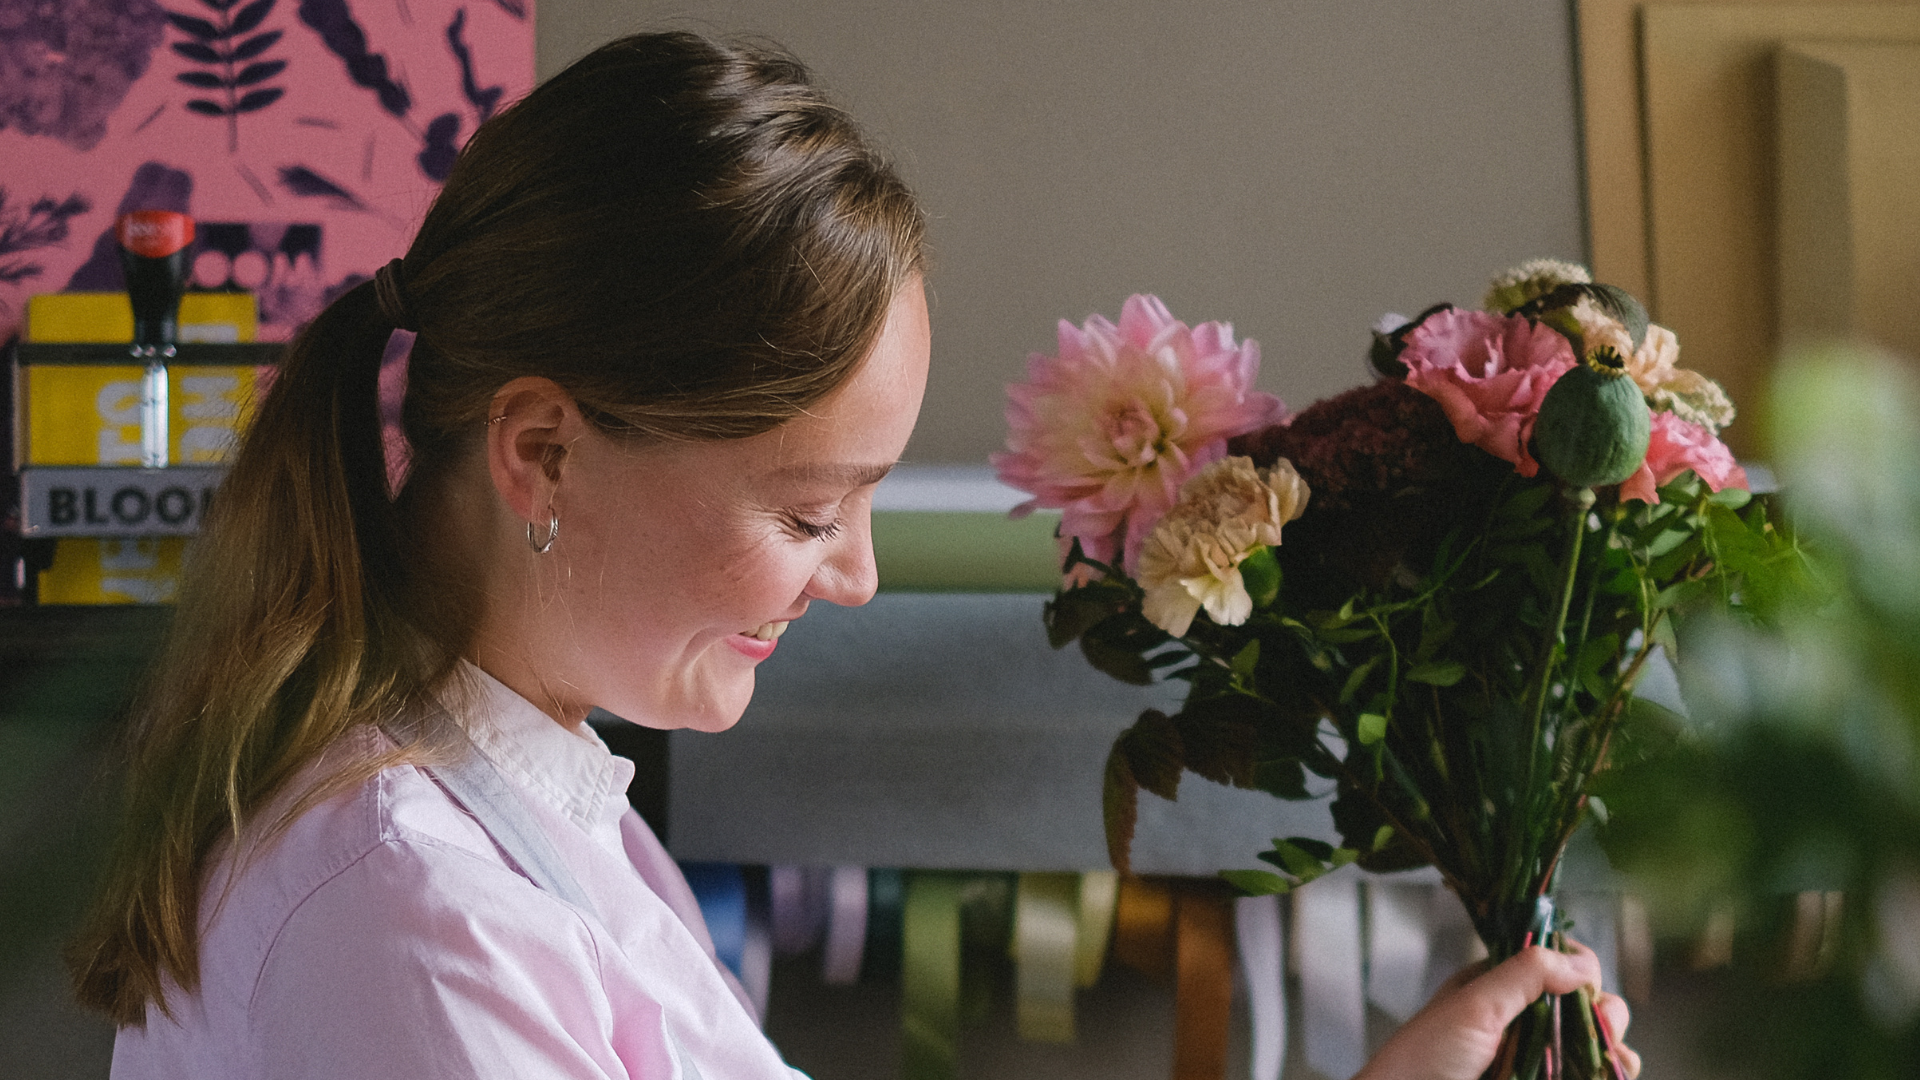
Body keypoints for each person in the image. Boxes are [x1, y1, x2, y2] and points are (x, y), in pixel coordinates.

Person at [67, 31, 1637, 1080]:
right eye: (809, 513)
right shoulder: (409, 919)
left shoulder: (532, 803)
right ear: (543, 452)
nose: (858, 576)